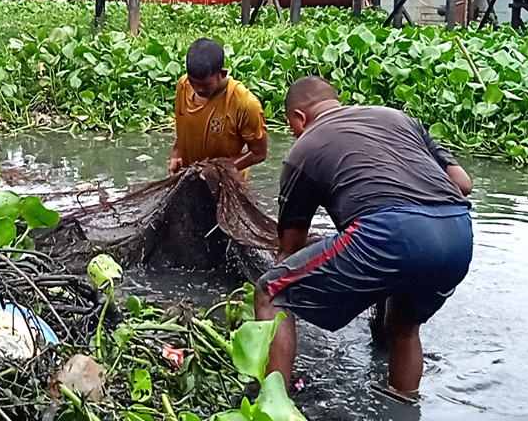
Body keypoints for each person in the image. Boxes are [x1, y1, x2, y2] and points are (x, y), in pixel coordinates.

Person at [256, 76, 473, 402]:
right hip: (457, 231)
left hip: (387, 231)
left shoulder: (305, 146)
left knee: (271, 292)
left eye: (291, 126)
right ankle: (403, 401)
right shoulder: (397, 118)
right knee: (401, 324)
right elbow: (462, 183)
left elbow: (289, 250)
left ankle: (273, 403)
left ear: (299, 118)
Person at [169, 38, 267, 179]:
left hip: (227, 181)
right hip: (191, 178)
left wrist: (217, 170)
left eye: (206, 85)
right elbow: (183, 134)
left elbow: (259, 153)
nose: (198, 89)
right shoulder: (183, 86)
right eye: (193, 82)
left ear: (222, 74)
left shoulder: (245, 103)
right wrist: (175, 156)